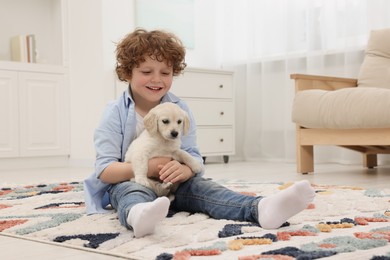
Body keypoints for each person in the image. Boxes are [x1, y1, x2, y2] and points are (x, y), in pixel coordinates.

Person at [84, 28, 315, 238]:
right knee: (129, 191)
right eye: (146, 71)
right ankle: (138, 214)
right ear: (127, 72)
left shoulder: (180, 112)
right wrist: (150, 167)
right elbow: (105, 171)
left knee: (204, 188)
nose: (156, 79)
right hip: (131, 181)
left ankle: (261, 209)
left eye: (166, 72)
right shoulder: (114, 112)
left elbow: (194, 158)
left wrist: (184, 169)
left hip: (173, 186)